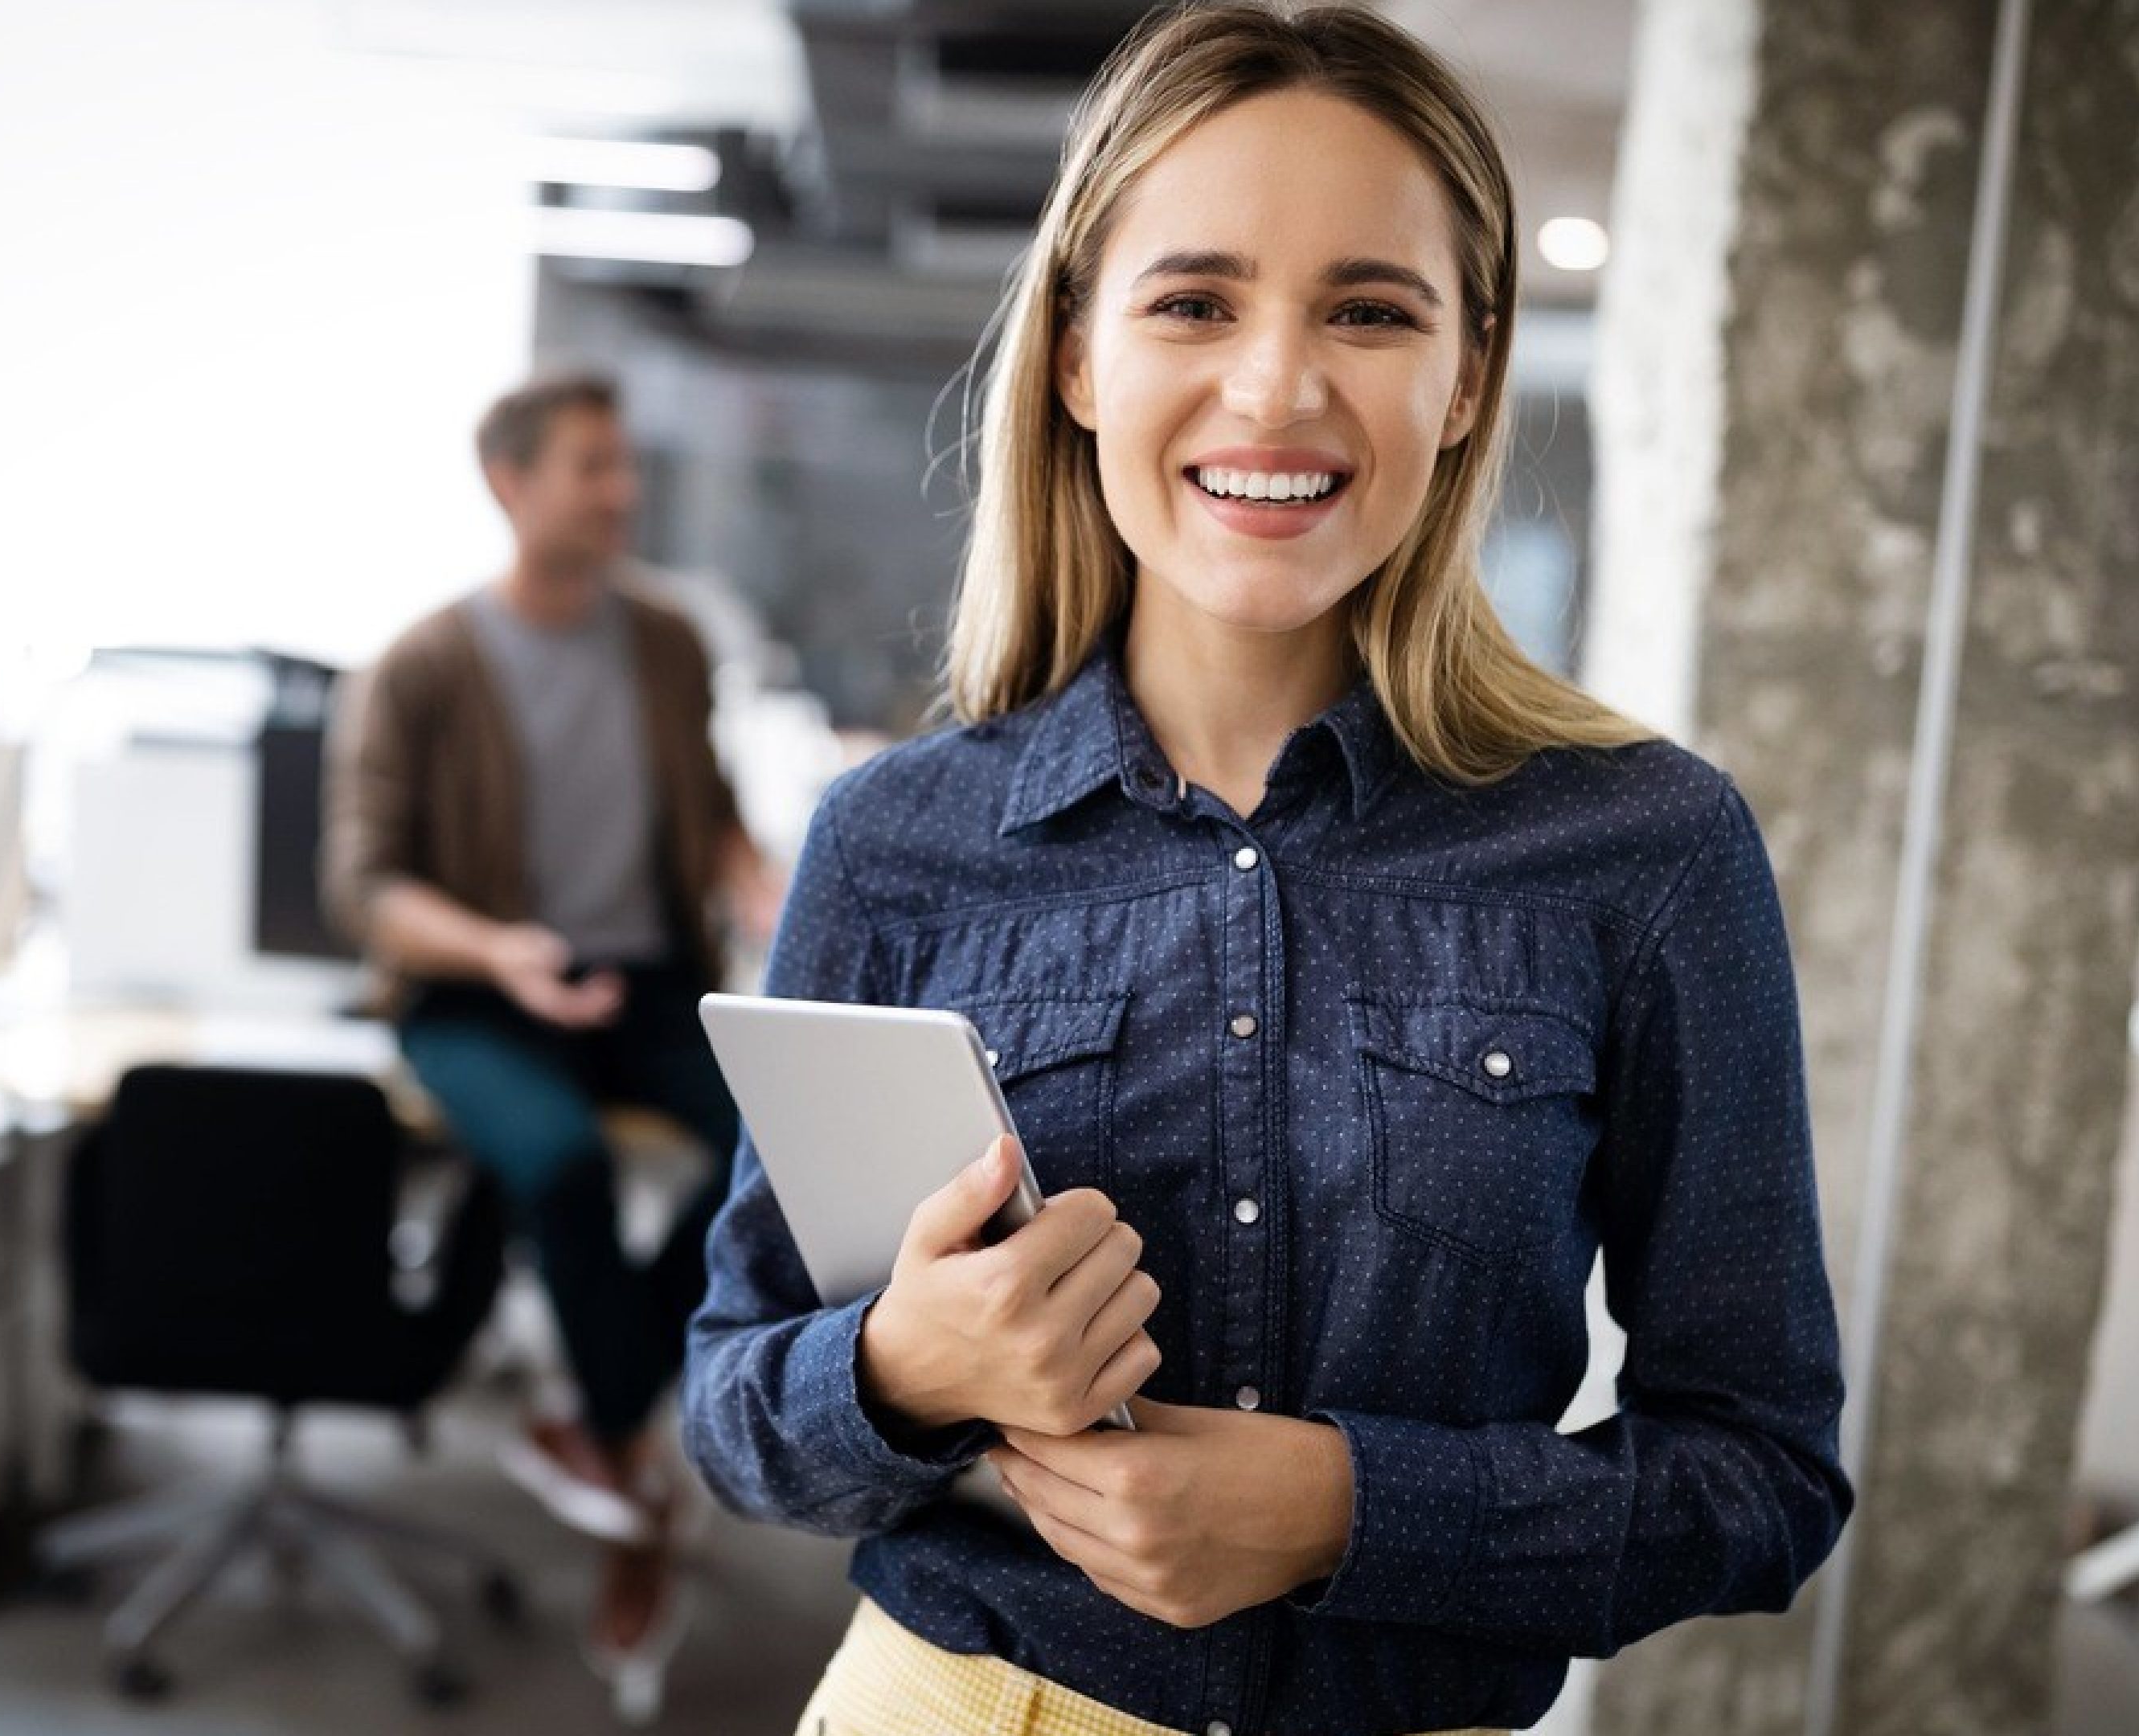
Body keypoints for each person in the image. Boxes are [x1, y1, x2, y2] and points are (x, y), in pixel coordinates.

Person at [678, 6, 1855, 1735]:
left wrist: (1343, 1509)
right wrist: (899, 1371)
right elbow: (730, 1406)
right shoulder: (898, 845)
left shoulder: (1647, 853)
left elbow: (1761, 1480)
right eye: (1195, 300)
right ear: (1079, 356)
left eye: (1370, 311)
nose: (1277, 386)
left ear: (1466, 376)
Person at [321, 371, 781, 1683]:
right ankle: (635, 1467)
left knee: (779, 1149)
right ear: (509, 483)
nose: (623, 490)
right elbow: (365, 885)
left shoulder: (666, 640)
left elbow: (709, 799)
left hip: (642, 982)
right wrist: (496, 949)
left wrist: (759, 874)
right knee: (564, 1166)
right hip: (478, 991)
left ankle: (600, 1418)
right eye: (592, 466)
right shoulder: (419, 664)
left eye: (625, 465)